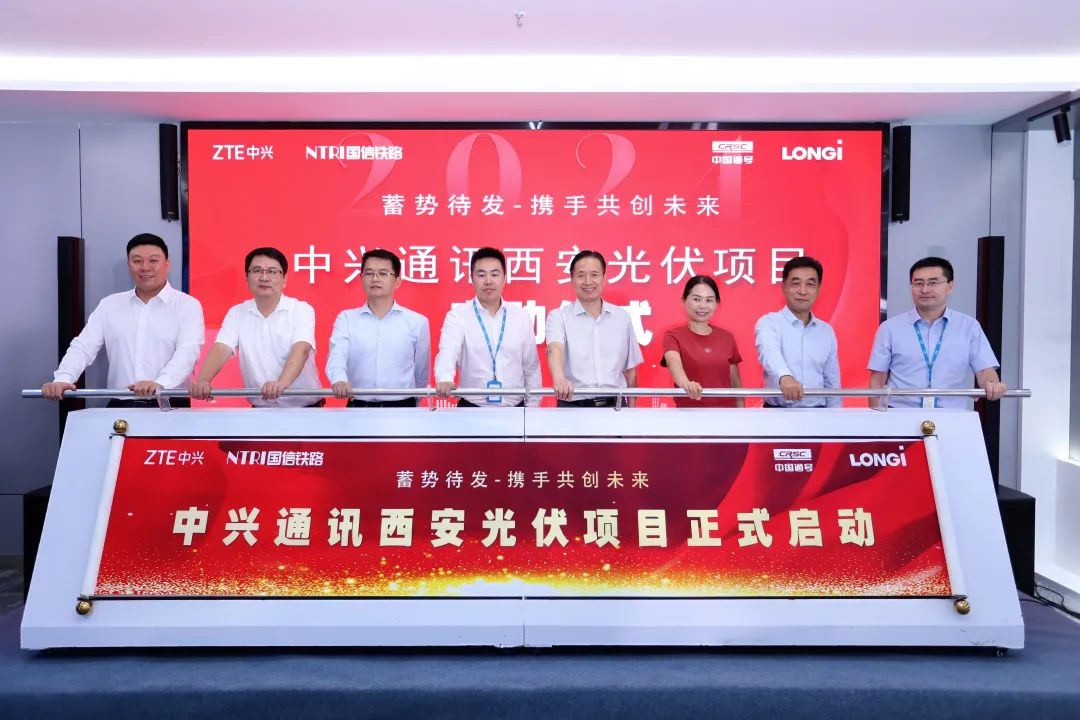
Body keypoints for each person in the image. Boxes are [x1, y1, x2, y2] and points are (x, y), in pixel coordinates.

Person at [42, 233, 204, 408]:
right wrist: (63, 378)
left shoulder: (187, 305)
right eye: (137, 261)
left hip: (171, 405)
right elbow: (83, 347)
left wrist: (160, 383)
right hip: (120, 406)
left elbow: (188, 352)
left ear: (167, 264)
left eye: (153, 260)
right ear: (129, 265)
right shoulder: (109, 305)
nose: (145, 267)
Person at [190, 247, 323, 408]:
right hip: (260, 410)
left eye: (272, 272)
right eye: (257, 271)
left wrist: (281, 384)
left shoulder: (301, 310)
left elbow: (301, 351)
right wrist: (203, 381)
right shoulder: (237, 313)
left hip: (305, 409)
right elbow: (221, 348)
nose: (264, 277)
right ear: (247, 277)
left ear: (284, 279)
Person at [868, 256, 1006, 409]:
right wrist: (875, 418)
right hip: (900, 414)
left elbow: (985, 369)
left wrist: (992, 383)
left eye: (933, 283)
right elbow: (877, 380)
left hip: (951, 415)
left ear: (950, 286)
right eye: (918, 283)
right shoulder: (890, 328)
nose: (925, 290)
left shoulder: (969, 326)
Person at [434, 247, 541, 407]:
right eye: (481, 275)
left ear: (504, 278)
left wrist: (532, 407)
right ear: (472, 278)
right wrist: (444, 378)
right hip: (472, 407)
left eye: (494, 274)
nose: (488, 281)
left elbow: (531, 366)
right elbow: (448, 351)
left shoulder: (521, 316)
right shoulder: (458, 317)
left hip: (515, 409)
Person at [326, 249, 430, 407]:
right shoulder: (346, 319)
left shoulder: (417, 322)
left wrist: (411, 403)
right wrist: (339, 380)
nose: (375, 278)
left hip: (402, 408)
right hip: (358, 406)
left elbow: (421, 373)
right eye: (369, 273)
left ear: (397, 281)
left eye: (383, 273)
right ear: (361, 278)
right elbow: (337, 355)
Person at [546, 250, 643, 408]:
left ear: (604, 279)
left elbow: (630, 370)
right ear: (572, 280)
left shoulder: (622, 317)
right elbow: (554, 348)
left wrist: (632, 410)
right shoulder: (558, 317)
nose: (588, 281)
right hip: (572, 407)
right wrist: (559, 379)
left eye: (594, 275)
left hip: (616, 408)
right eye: (581, 275)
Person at [754, 256, 841, 408]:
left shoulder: (826, 331)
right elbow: (769, 353)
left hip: (818, 414)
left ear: (818, 289)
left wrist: (836, 416)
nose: (803, 291)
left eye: (810, 284)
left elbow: (831, 381)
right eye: (795, 283)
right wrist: (785, 377)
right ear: (783, 287)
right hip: (776, 414)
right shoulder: (769, 323)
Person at [662, 275, 744, 408]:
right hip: (689, 414)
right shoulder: (673, 336)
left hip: (726, 414)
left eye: (709, 300)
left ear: (717, 303)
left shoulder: (727, 337)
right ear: (684, 301)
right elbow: (674, 364)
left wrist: (741, 414)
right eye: (696, 299)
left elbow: (736, 386)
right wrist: (687, 385)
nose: (702, 306)